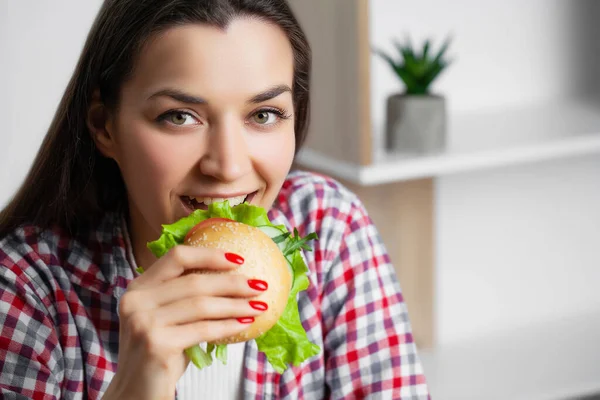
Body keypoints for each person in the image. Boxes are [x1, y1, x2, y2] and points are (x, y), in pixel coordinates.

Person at [0, 1, 430, 399]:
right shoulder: (24, 289)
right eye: (180, 116)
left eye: (264, 115)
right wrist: (135, 385)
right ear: (104, 126)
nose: (227, 166)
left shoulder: (329, 225)